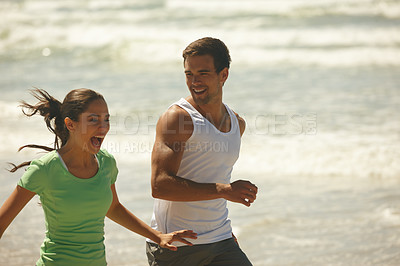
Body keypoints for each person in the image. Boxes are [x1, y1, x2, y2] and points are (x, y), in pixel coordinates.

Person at [0, 88, 197, 266]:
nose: (103, 127)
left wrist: (158, 236)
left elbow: (113, 207)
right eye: (93, 119)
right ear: (70, 124)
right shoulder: (45, 169)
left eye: (106, 119)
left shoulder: (106, 164)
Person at [147, 37, 258, 266]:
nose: (194, 81)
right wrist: (224, 190)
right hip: (177, 245)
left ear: (223, 75)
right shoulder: (178, 119)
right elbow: (160, 185)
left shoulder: (237, 124)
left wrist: (225, 233)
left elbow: (213, 176)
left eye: (203, 73)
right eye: (189, 74)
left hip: (221, 240)